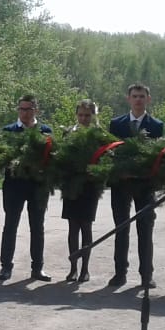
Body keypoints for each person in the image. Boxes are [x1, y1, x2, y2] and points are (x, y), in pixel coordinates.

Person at [108, 83, 164, 288]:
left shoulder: (157, 125)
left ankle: (146, 275)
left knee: (145, 229)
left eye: (142, 96)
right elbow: (111, 152)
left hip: (145, 185)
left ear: (148, 99)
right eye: (135, 96)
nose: (138, 99)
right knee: (121, 228)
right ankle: (120, 273)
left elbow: (157, 156)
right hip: (121, 183)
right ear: (128, 99)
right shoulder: (116, 124)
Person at [0, 94, 52, 282]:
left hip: (37, 186)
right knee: (10, 225)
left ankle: (38, 268)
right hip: (14, 185)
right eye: (21, 109)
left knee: (37, 227)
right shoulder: (9, 131)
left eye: (28, 109)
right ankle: (6, 266)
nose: (24, 113)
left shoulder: (45, 131)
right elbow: (1, 157)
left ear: (35, 110)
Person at [61, 100, 104, 283]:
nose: (84, 118)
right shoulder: (69, 133)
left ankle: (85, 269)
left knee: (86, 226)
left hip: (89, 187)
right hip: (71, 186)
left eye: (87, 115)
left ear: (93, 116)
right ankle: (73, 268)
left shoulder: (99, 135)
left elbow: (104, 159)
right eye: (80, 115)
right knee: (72, 227)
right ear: (76, 115)